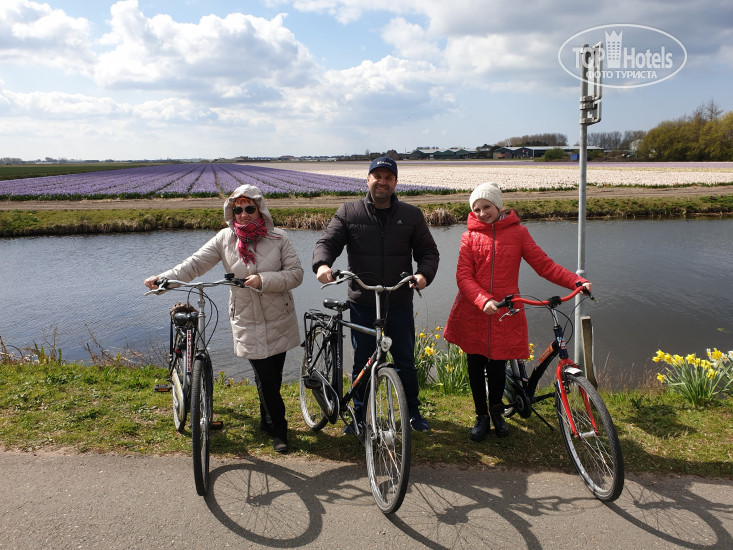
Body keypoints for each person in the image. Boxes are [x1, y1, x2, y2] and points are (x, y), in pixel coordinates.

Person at [144, 184, 303, 453]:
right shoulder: (224, 239)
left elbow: (296, 274)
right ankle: (280, 428)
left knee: (272, 376)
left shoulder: (279, 238)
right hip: (246, 317)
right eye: (237, 210)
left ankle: (266, 420)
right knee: (265, 375)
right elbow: (195, 264)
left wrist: (263, 280)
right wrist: (164, 280)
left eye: (249, 208)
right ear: (231, 212)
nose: (243, 214)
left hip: (279, 316)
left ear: (260, 209)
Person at [443, 182, 591, 441]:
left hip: (506, 309)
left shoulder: (519, 233)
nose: (481, 213)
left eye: (486, 206)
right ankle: (481, 415)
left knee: (498, 363)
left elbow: (544, 265)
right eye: (476, 209)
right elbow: (463, 276)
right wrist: (483, 300)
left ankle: (497, 411)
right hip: (474, 310)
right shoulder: (469, 237)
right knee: (475, 363)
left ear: (498, 206)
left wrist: (575, 281)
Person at [312, 156, 440, 433]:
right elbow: (328, 241)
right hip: (364, 302)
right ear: (367, 179)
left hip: (399, 300)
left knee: (405, 361)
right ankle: (359, 415)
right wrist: (322, 264)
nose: (382, 182)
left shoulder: (411, 215)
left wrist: (423, 275)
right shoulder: (349, 212)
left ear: (395, 182)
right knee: (363, 361)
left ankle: (412, 412)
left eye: (388, 177)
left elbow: (428, 251)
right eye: (377, 176)